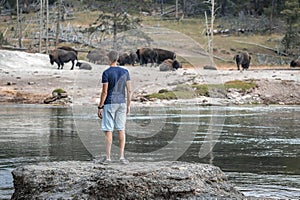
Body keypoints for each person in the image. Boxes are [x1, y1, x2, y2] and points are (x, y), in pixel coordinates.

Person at [97, 50, 131, 164]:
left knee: (109, 129)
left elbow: (104, 91)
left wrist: (100, 106)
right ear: (117, 59)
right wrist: (128, 105)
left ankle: (108, 158)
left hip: (110, 103)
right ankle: (122, 157)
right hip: (122, 103)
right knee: (121, 129)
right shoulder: (125, 72)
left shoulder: (106, 73)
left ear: (109, 59)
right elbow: (129, 90)